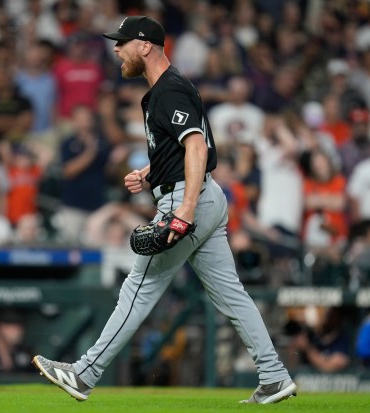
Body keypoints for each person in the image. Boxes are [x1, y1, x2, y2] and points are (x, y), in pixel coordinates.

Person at [33, 16, 297, 405]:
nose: (117, 50)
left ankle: (84, 374)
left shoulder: (169, 90)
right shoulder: (165, 89)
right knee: (232, 294)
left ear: (145, 46)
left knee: (136, 290)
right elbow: (182, 147)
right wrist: (151, 171)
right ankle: (274, 375)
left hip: (189, 201)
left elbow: (197, 147)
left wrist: (183, 211)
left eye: (122, 43)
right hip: (204, 195)